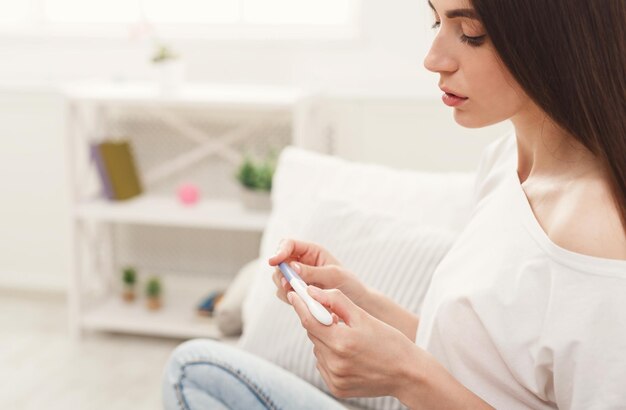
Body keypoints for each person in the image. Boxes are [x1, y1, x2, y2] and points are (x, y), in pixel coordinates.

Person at [162, 0, 626, 408]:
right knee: (198, 369)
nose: (434, 58)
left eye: (470, 33)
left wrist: (406, 376)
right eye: (435, 21)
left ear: (556, 38)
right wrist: (368, 306)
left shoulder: (597, 240)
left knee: (193, 373)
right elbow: (487, 368)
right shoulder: (506, 162)